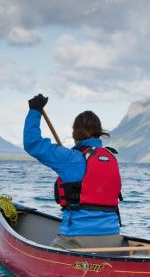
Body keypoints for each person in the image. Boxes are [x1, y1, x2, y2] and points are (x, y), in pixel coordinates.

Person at [23, 94, 123, 250]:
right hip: (114, 240)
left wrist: (35, 111)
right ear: (99, 133)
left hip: (77, 240)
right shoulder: (111, 158)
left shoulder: (70, 158)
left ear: (74, 134)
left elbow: (32, 143)